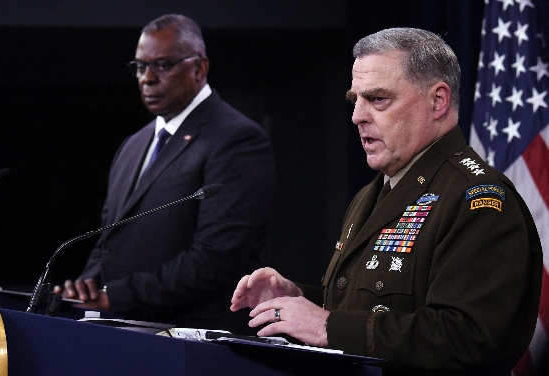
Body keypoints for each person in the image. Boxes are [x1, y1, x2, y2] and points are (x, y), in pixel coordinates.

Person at [231, 28, 542, 374]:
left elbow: (466, 337)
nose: (357, 116)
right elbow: (367, 307)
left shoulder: (477, 199)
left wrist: (326, 326)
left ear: (437, 101)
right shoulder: (375, 191)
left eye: (378, 99)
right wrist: (297, 301)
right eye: (355, 100)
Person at [55, 14, 277, 333]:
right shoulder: (133, 146)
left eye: (162, 65)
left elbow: (215, 260)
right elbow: (110, 240)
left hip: (191, 340)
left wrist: (114, 296)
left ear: (199, 68)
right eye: (140, 67)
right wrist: (87, 286)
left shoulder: (236, 140)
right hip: (120, 330)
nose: (147, 78)